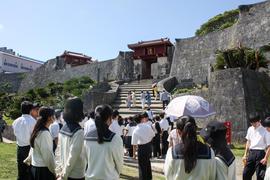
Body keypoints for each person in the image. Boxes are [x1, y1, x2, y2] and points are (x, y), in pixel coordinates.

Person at [164, 116, 216, 180]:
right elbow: (212, 177)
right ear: (195, 129)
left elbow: (168, 177)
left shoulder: (172, 152)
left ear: (178, 132)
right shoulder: (209, 152)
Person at [83, 104, 123, 179]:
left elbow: (85, 161)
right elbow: (119, 163)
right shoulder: (115, 139)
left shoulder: (87, 137)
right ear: (110, 118)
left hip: (90, 177)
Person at [56, 97, 86, 180]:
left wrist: (58, 171)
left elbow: (58, 151)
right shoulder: (79, 132)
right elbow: (72, 157)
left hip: (63, 171)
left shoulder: (63, 128)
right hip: (75, 174)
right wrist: (64, 175)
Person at [30, 107, 56, 180]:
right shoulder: (44, 133)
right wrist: (55, 171)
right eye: (53, 115)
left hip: (36, 167)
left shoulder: (38, 130)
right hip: (43, 170)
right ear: (49, 118)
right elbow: (48, 156)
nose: (54, 117)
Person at [12, 101, 36, 180]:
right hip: (30, 148)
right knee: (30, 170)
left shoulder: (15, 121)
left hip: (20, 147)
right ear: (31, 110)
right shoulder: (33, 121)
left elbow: (15, 133)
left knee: (21, 169)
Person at [242, 116, 270, 180]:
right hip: (251, 153)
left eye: (254, 123)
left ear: (259, 121)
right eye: (251, 123)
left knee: (260, 176)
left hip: (261, 153)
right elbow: (248, 141)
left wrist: (266, 158)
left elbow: (269, 146)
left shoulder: (265, 130)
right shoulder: (250, 129)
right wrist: (245, 154)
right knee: (245, 174)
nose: (253, 124)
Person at [131, 113, 155, 180]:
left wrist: (134, 155)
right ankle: (149, 178)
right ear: (142, 119)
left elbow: (134, 144)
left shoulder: (135, 130)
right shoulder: (147, 126)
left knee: (142, 166)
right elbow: (153, 135)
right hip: (148, 146)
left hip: (141, 148)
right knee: (147, 163)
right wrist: (148, 141)